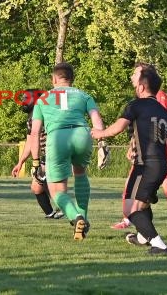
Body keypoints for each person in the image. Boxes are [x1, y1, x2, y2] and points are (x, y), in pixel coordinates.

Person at [92, 65, 167, 255]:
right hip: (160, 165)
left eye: (135, 76)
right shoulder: (164, 112)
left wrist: (99, 133)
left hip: (145, 165)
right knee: (143, 204)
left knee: (130, 209)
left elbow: (117, 128)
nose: (132, 78)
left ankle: (160, 245)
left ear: (142, 86)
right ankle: (142, 237)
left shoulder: (136, 105)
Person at [29, 63, 105, 240]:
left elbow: (35, 132)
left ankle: (75, 217)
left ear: (54, 79)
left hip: (57, 138)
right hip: (81, 134)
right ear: (72, 79)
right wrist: (102, 143)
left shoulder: (43, 99)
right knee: (80, 173)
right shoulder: (84, 96)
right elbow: (97, 121)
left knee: (56, 190)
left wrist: (35, 162)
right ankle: (84, 218)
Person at [111, 64, 167, 232]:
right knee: (134, 186)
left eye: (136, 72)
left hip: (159, 148)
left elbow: (156, 126)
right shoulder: (139, 100)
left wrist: (100, 133)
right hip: (145, 151)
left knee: (166, 184)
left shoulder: (158, 97)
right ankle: (132, 222)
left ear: (144, 79)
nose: (132, 75)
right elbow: (141, 126)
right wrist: (132, 145)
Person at [12, 89, 64, 219]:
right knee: (36, 188)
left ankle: (66, 208)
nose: (23, 101)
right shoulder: (31, 119)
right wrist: (20, 163)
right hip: (45, 157)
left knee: (44, 181)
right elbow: (30, 142)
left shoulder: (45, 115)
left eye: (26, 98)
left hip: (54, 154)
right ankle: (51, 214)